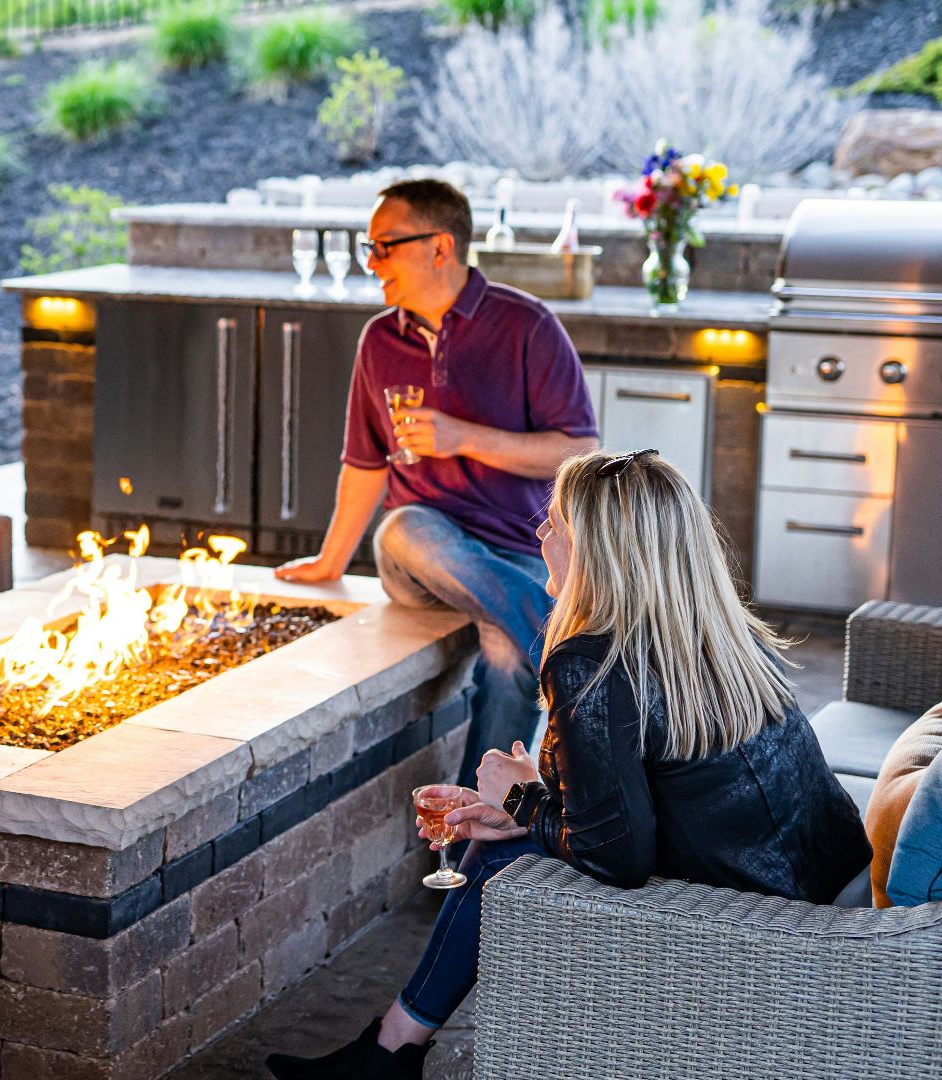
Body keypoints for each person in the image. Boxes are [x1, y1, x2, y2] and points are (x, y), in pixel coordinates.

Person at [266, 449, 871, 1080]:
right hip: (825, 880)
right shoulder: (715, 629)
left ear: (599, 554)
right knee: (509, 840)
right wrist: (535, 798)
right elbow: (672, 782)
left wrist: (522, 806)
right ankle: (391, 1049)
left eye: (555, 525)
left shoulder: (591, 660)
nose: (540, 537)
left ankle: (389, 1054)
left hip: (777, 928)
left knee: (502, 859)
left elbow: (619, 857)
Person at [276, 179, 599, 789]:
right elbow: (366, 462)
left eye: (383, 246)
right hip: (421, 554)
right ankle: (566, 648)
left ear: (439, 247)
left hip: (515, 552)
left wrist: (462, 437)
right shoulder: (379, 339)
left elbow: (579, 451)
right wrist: (330, 560)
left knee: (507, 661)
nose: (371, 261)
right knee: (402, 527)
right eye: (369, 247)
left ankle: (477, 844)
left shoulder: (527, 326)